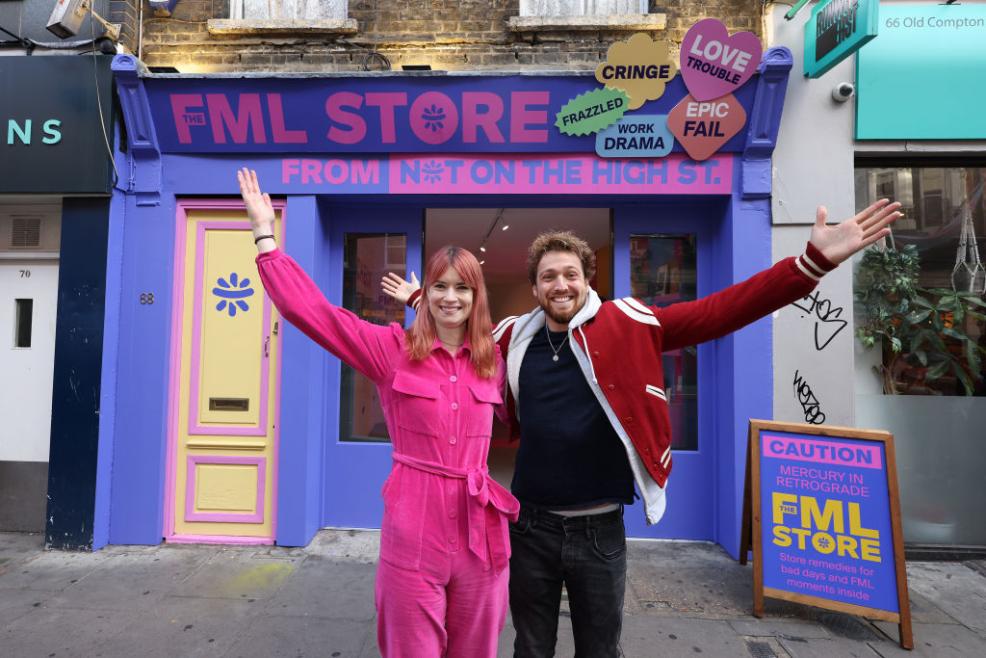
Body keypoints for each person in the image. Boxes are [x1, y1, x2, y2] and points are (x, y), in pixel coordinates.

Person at [382, 200, 902, 657]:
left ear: (588, 279)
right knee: (530, 646)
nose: (559, 284)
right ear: (535, 286)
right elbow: (459, 327)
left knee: (600, 648)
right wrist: (419, 299)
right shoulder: (511, 337)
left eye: (569, 273)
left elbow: (718, 313)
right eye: (547, 276)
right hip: (530, 527)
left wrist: (808, 265)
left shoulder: (630, 325)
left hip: (599, 530)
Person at [237, 168, 520, 658]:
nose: (451, 297)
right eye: (439, 287)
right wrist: (266, 237)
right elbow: (315, 314)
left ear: (477, 298)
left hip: (481, 537)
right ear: (424, 295)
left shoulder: (493, 358)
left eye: (463, 288)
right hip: (415, 529)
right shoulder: (391, 350)